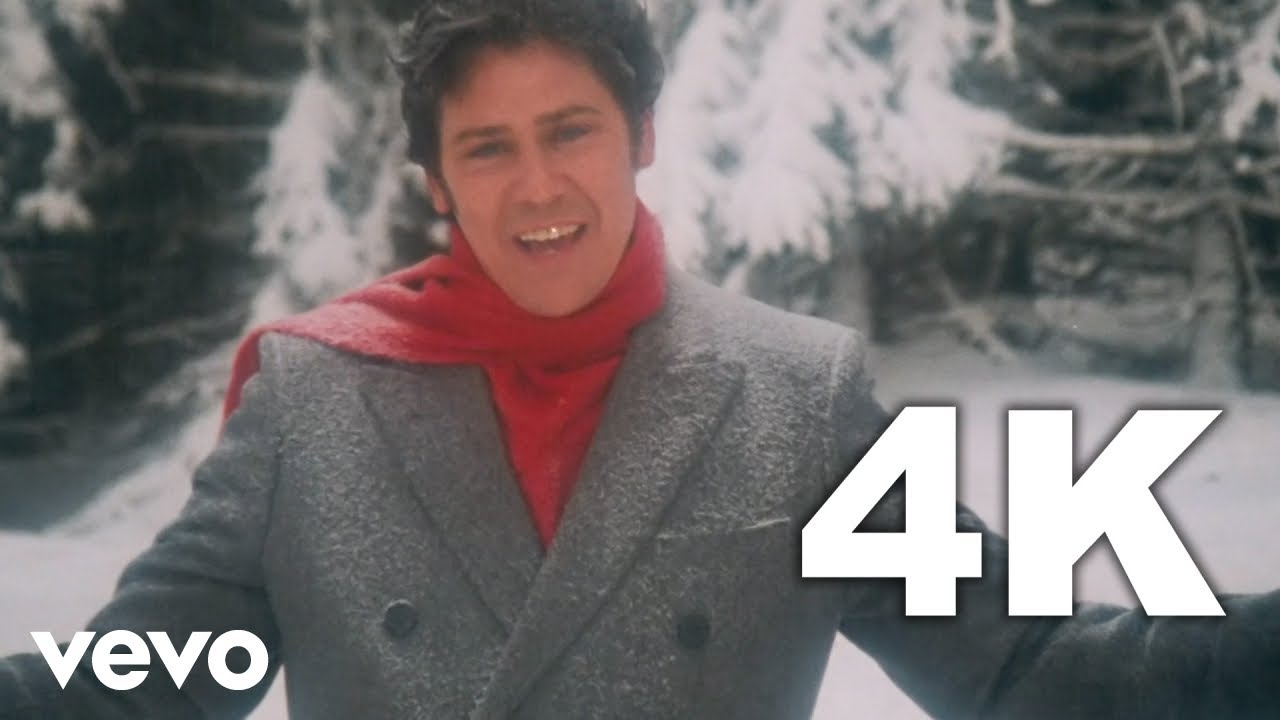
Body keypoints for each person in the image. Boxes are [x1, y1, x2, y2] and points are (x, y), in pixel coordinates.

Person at [2, 0, 1278, 717]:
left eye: (571, 130)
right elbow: (137, 687)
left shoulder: (798, 396)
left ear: (641, 135)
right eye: (487, 147)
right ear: (436, 177)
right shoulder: (311, 399)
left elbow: (1023, 665)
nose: (537, 185)